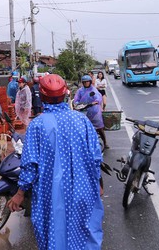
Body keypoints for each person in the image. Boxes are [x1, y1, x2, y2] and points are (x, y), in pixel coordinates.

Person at [7, 74, 103, 249]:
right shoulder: (82, 120)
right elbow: (96, 158)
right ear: (65, 94)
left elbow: (30, 166)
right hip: (83, 189)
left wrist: (20, 193)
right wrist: (97, 183)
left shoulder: (37, 125)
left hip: (50, 194)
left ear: (42, 97)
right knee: (83, 232)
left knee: (54, 234)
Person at [73, 74, 108, 149]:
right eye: (84, 82)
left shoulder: (93, 89)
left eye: (87, 82)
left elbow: (98, 97)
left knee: (99, 128)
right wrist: (76, 104)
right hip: (84, 110)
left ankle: (105, 143)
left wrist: (95, 102)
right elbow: (76, 99)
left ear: (90, 82)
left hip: (94, 111)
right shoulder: (80, 91)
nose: (86, 83)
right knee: (81, 128)